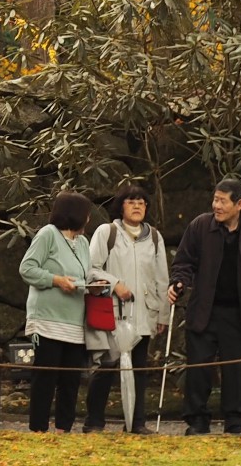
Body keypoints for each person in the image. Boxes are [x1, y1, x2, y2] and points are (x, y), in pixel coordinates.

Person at [167, 178, 241, 436]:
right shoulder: (200, 226)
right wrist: (178, 283)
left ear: (239, 204)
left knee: (238, 370)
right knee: (198, 368)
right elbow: (184, 261)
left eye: (222, 201)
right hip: (204, 310)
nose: (216, 206)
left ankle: (236, 421)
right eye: (215, 199)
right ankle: (197, 421)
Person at [83, 184, 170, 434]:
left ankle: (137, 423)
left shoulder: (154, 236)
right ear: (121, 205)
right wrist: (115, 284)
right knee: (107, 366)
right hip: (112, 312)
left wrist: (162, 314)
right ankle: (94, 421)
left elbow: (162, 278)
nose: (137, 206)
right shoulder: (106, 232)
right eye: (131, 201)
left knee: (139, 369)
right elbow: (91, 268)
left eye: (142, 202)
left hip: (144, 312)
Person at [19, 191, 97, 433]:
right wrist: (56, 280)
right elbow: (27, 268)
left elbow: (86, 274)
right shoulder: (48, 235)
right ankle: (38, 429)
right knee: (46, 377)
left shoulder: (83, 243)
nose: (89, 219)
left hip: (75, 321)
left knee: (70, 379)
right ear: (75, 215)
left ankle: (64, 428)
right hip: (47, 319)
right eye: (87, 214)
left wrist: (95, 285)